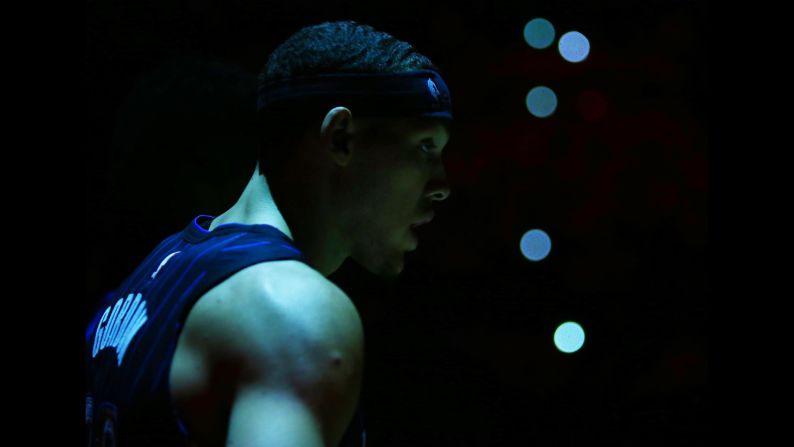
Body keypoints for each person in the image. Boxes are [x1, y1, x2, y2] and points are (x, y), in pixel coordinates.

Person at [85, 20, 453, 446]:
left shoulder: (159, 271)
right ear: (340, 139)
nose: (443, 184)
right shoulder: (293, 310)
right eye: (425, 146)